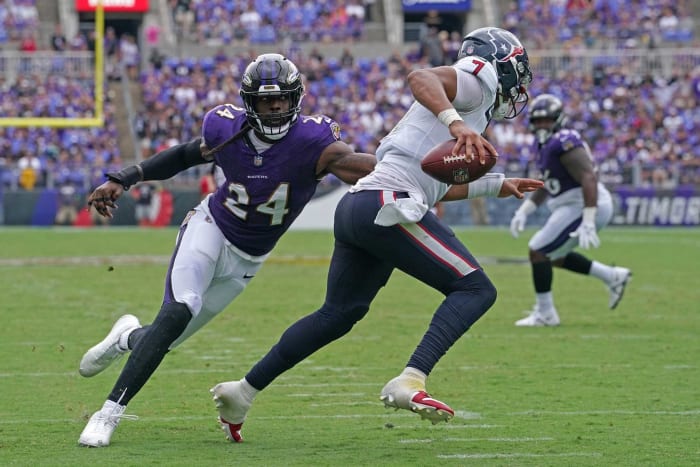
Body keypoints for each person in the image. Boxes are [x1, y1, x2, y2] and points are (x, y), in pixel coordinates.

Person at [208, 27, 542, 443]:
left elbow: (432, 183)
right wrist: (456, 123)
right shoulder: (475, 80)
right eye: (518, 69)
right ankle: (410, 379)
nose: (520, 82)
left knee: (338, 314)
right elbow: (422, 77)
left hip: (361, 206)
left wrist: (496, 183)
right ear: (501, 61)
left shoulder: (470, 109)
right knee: (476, 289)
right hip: (387, 202)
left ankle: (242, 391)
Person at [77, 53, 377, 447]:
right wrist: (127, 177)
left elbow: (360, 166)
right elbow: (187, 154)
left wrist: (407, 171)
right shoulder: (225, 127)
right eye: (267, 100)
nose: (275, 107)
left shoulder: (314, 141)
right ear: (249, 102)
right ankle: (108, 413)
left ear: (296, 99)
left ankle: (125, 337)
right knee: (180, 307)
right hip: (211, 228)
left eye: (283, 100)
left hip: (248, 260)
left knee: (163, 339)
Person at [509, 93, 631, 326]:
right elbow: (547, 183)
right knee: (551, 256)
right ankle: (612, 276)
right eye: (538, 121)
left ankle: (546, 314)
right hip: (571, 204)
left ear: (558, 119)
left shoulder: (563, 140)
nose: (542, 125)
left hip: (582, 203)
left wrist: (588, 218)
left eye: (547, 120)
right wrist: (525, 210)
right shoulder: (544, 144)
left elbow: (588, 177)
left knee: (538, 251)